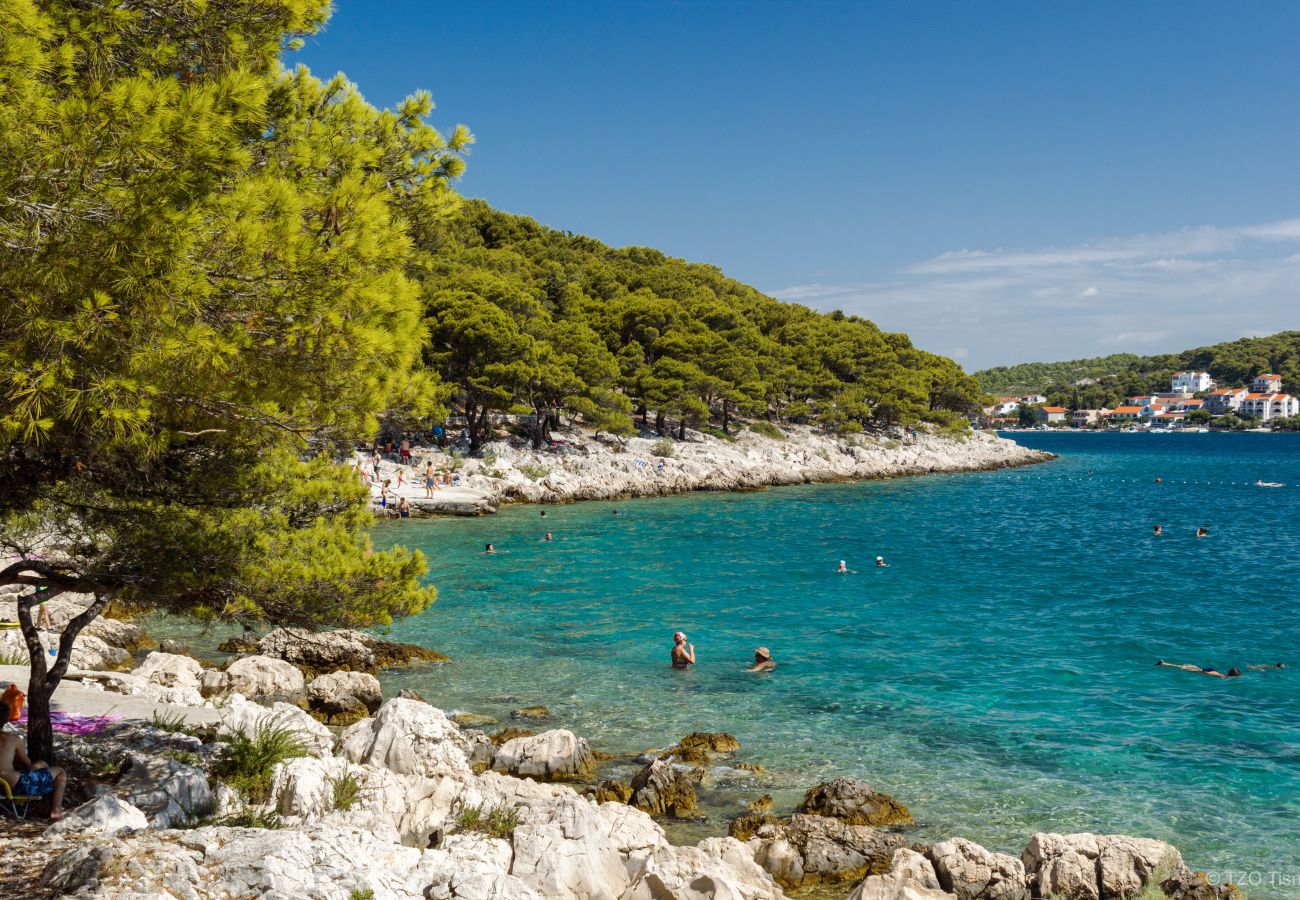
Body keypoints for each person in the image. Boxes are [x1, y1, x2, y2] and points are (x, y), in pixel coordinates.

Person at [0, 688, 67, 820]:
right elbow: (27, 763)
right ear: (7, 719)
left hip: (2, 785)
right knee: (60, 772)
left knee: (40, 765)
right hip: (14, 786)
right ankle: (56, 810)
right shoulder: (13, 739)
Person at [1156, 660, 1242, 678]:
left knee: (1182, 666)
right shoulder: (1223, 676)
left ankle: (1163, 663)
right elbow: (1211, 674)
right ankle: (1163, 663)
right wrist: (1203, 672)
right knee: (1181, 667)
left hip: (1209, 670)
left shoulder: (1224, 675)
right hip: (1204, 671)